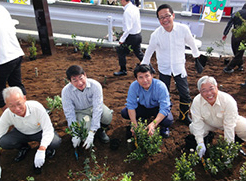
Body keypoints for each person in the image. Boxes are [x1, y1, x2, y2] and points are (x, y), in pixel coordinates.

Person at [141, 4, 201, 126]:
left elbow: (191, 42)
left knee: (185, 93)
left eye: (167, 16)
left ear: (173, 16)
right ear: (158, 20)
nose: (164, 19)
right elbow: (149, 52)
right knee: (164, 94)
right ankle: (165, 117)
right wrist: (142, 66)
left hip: (179, 68)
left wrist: (197, 57)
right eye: (161, 17)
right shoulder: (156, 35)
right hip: (164, 69)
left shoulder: (183, 29)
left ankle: (184, 116)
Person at [0, 87, 61, 172]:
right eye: (11, 106)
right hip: (21, 133)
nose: (17, 109)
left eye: (19, 104)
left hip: (39, 132)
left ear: (24, 99)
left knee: (55, 142)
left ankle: (48, 149)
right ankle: (23, 147)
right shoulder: (7, 114)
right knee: (3, 142)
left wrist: (42, 149)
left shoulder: (37, 108)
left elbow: (48, 129)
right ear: (6, 104)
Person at [189, 76, 246, 158]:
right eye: (204, 91)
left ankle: (236, 144)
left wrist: (229, 150)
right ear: (199, 92)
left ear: (217, 88)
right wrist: (200, 142)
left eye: (211, 89)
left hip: (228, 122)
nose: (209, 93)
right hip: (209, 123)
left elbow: (229, 127)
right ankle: (207, 139)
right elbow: (197, 122)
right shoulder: (197, 101)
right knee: (193, 128)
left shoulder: (228, 101)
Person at [62, 65, 113, 150]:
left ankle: (100, 130)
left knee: (107, 117)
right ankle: (88, 130)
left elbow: (97, 108)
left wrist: (92, 132)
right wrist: (75, 133)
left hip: (93, 107)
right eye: (74, 80)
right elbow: (69, 113)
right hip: (80, 111)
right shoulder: (66, 91)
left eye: (81, 78)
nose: (80, 83)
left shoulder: (95, 85)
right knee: (84, 132)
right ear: (70, 81)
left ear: (85, 75)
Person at [121, 64, 173, 138]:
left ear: (152, 76)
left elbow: (164, 108)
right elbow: (131, 105)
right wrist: (134, 124)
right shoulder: (134, 86)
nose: (145, 80)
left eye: (147, 76)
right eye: (141, 77)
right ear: (136, 79)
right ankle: (141, 119)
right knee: (125, 113)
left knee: (168, 120)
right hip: (143, 106)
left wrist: (153, 124)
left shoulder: (160, 86)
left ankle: (164, 128)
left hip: (157, 108)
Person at [0, 5, 26, 112]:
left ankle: (13, 118)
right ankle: (27, 113)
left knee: (0, 92)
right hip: (15, 53)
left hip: (3, 58)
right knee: (17, 85)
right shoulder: (1, 8)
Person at [113, 0, 144, 76]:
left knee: (121, 51)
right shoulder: (134, 8)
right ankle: (149, 67)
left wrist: (122, 39)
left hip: (131, 36)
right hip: (137, 34)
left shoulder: (127, 12)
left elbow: (128, 28)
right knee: (138, 53)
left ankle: (123, 70)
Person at [222, 3, 246, 73]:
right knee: (239, 53)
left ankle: (240, 65)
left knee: (236, 51)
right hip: (244, 36)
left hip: (235, 35)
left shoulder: (236, 13)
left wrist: (225, 34)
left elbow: (229, 24)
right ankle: (228, 68)